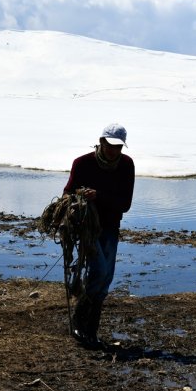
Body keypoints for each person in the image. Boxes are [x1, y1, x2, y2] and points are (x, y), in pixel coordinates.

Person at [63, 123, 135, 349]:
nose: (114, 151)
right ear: (101, 141)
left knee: (105, 280)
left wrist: (99, 196)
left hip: (111, 227)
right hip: (86, 228)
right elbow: (67, 194)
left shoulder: (126, 165)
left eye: (118, 147)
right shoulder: (82, 163)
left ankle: (90, 328)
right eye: (110, 145)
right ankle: (79, 322)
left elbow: (125, 204)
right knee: (99, 271)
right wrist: (81, 199)